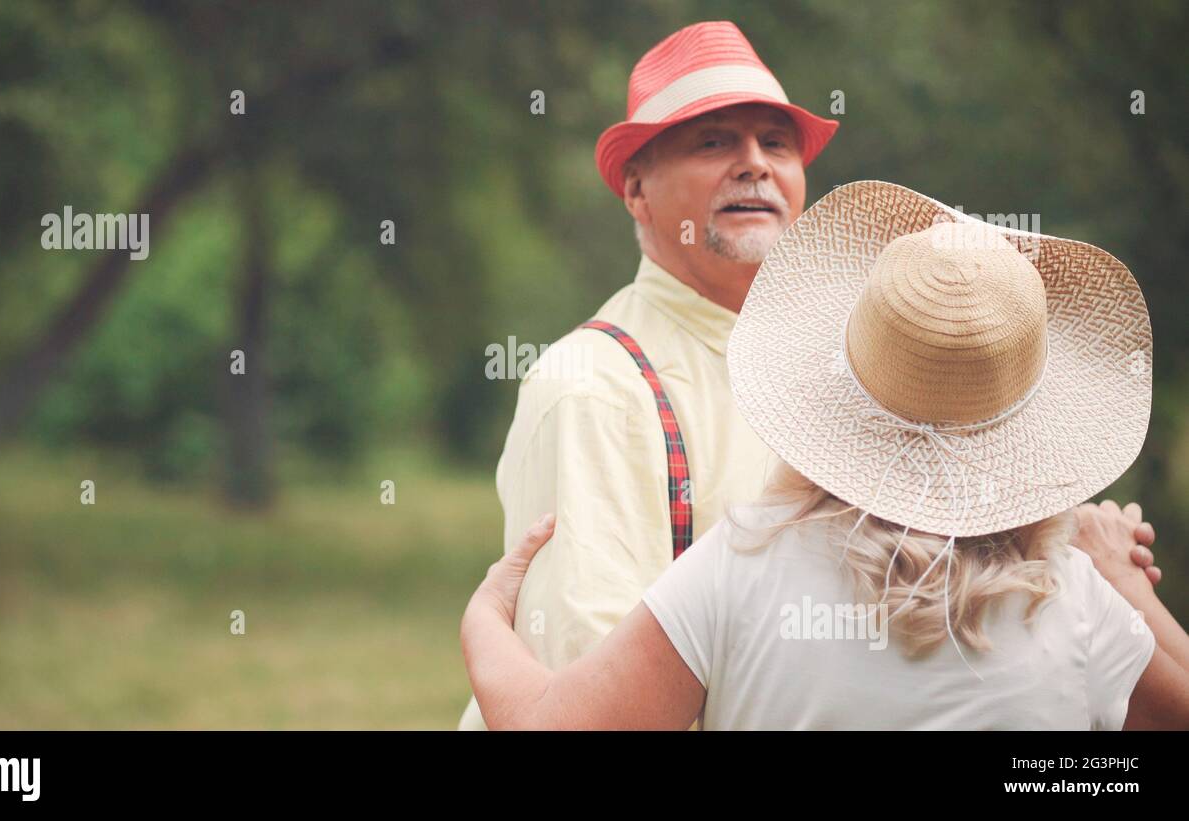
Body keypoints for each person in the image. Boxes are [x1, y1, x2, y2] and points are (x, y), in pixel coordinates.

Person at [456, 21, 1159, 730]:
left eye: (777, 143)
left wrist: (1057, 552)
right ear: (636, 188)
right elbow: (591, 693)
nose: (755, 163)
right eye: (713, 140)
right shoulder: (591, 385)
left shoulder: (861, 361)